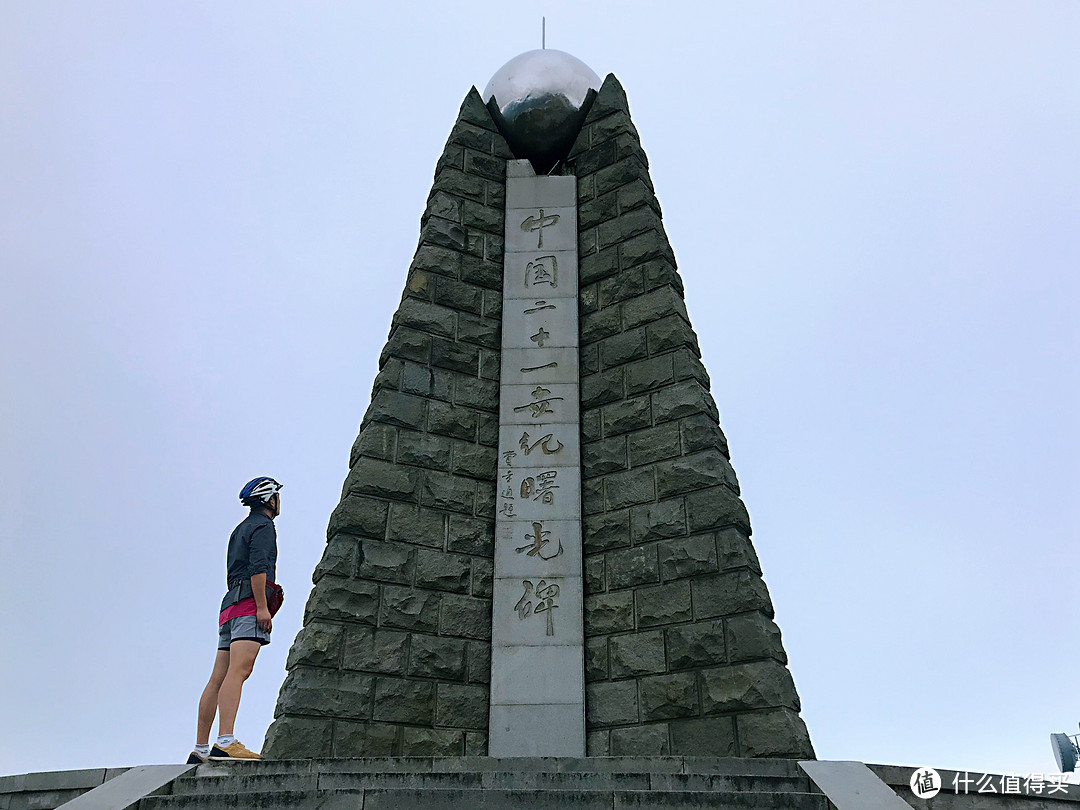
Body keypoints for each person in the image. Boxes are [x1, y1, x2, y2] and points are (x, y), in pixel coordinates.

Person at [188, 476, 284, 763]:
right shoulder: (264, 527)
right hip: (248, 604)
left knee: (218, 675)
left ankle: (201, 748)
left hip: (229, 605)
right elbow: (259, 569)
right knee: (239, 671)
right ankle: (226, 741)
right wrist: (262, 608)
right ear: (269, 499)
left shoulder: (240, 528)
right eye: (277, 496)